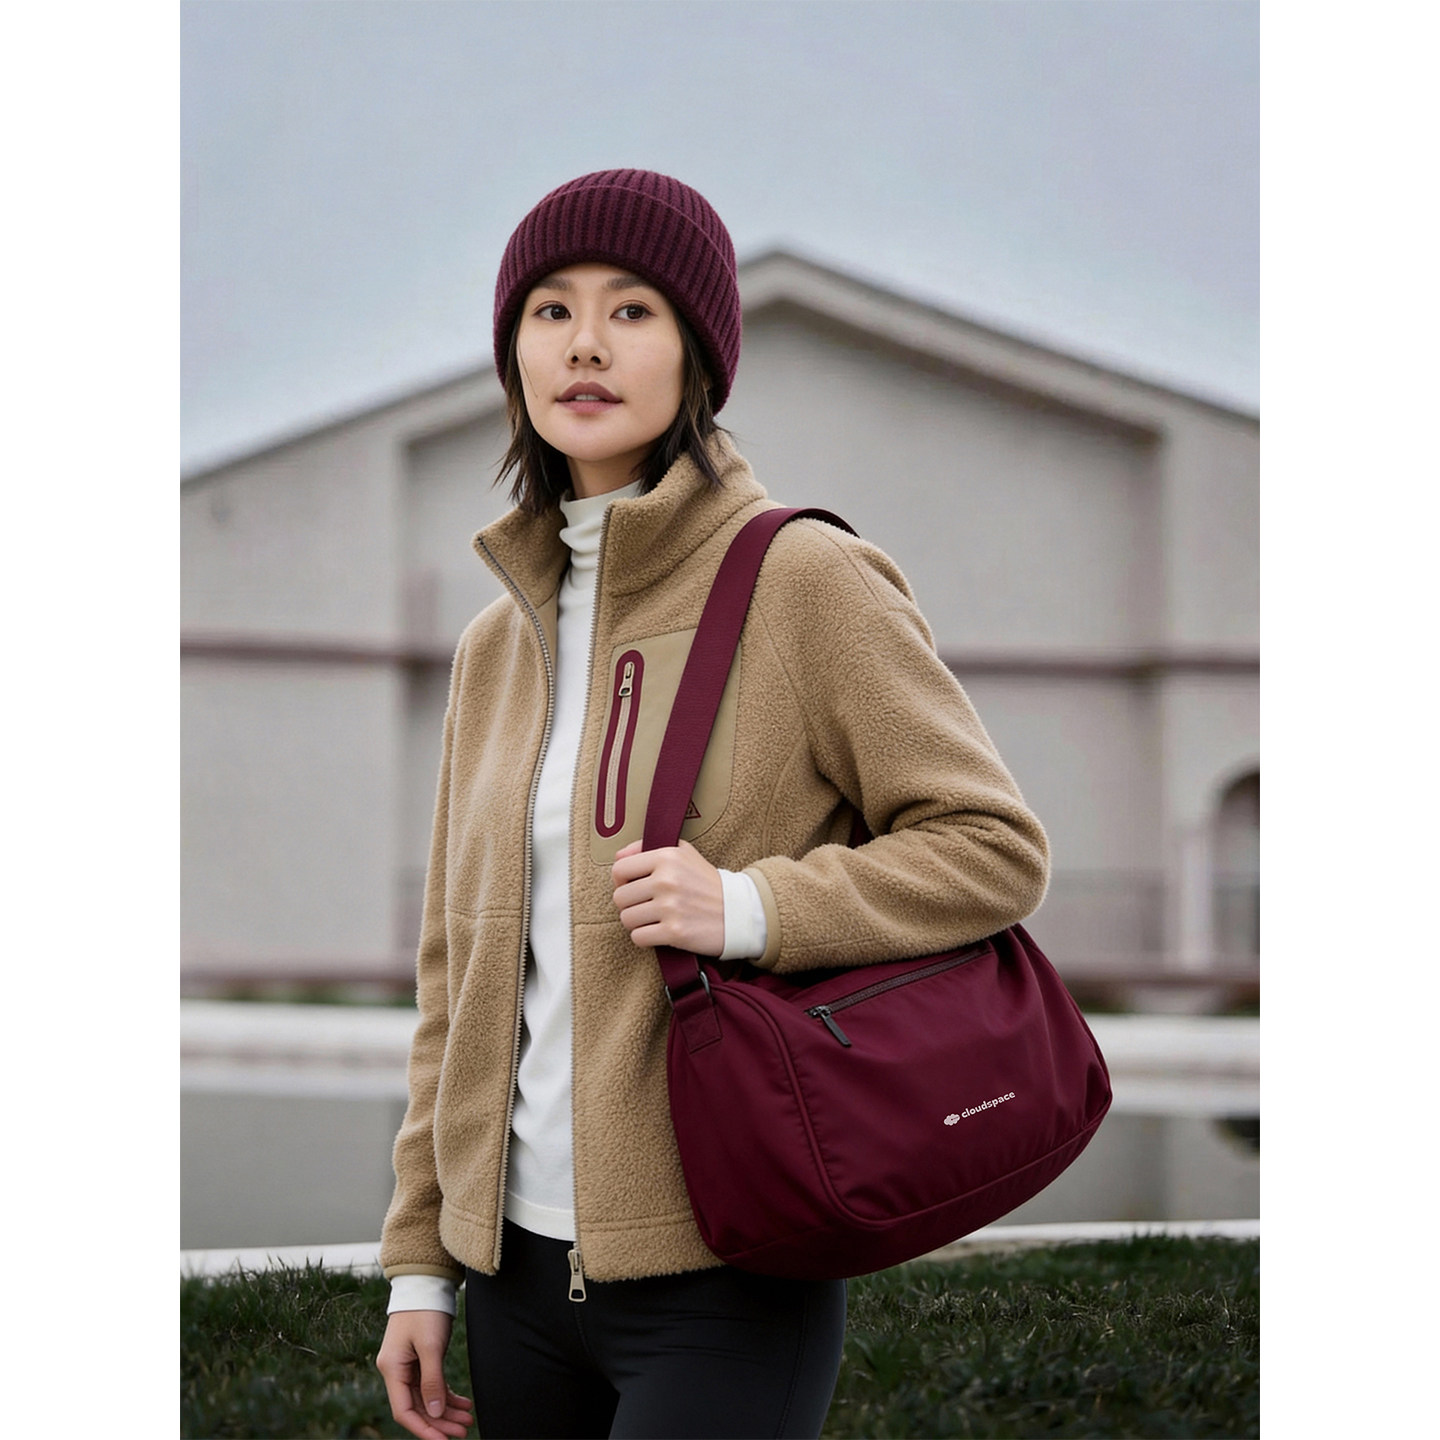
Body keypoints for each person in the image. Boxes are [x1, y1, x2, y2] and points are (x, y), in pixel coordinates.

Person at [374, 169, 1049, 1440]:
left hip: (728, 1266)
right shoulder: (495, 647)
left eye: (632, 310)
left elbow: (992, 850)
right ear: (514, 353)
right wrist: (421, 1264)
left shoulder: (804, 579)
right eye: (550, 311)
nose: (584, 344)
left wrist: (749, 907)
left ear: (700, 354)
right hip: (513, 1280)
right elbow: (455, 978)